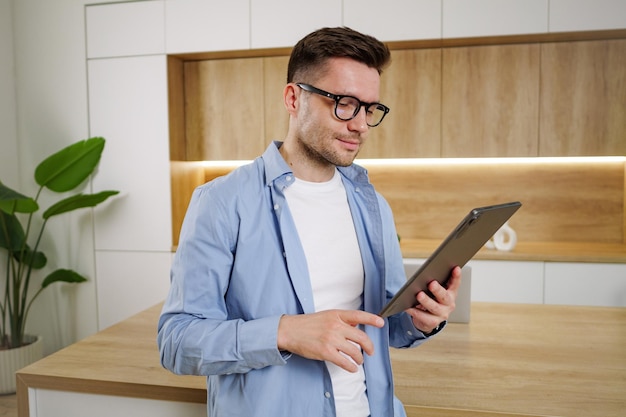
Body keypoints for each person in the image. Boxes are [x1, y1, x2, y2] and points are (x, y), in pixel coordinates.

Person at [157, 26, 461, 417]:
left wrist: (422, 320)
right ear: (293, 97)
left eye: (369, 108)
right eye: (345, 104)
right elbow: (176, 342)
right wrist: (285, 332)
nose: (360, 125)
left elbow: (385, 326)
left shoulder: (372, 204)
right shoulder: (221, 202)